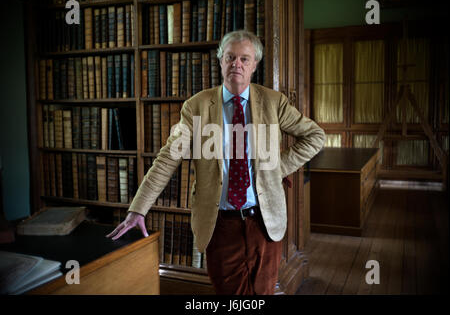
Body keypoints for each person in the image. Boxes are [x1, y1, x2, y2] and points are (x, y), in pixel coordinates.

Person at [106, 30, 325, 295]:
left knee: (263, 293)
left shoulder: (273, 102)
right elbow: (167, 159)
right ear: (220, 60)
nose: (237, 64)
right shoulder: (196, 106)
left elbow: (315, 136)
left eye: (245, 59)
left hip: (265, 221)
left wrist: (278, 167)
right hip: (220, 223)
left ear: (255, 65)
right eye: (230, 57)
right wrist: (138, 209)